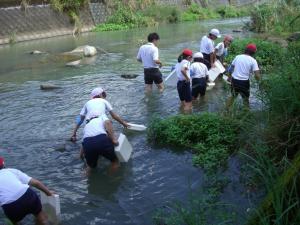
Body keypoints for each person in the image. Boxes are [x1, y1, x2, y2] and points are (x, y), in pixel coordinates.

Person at [0, 157, 53, 225]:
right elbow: (36, 183)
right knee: (41, 217)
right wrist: (48, 193)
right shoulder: (12, 171)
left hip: (10, 204)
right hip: (28, 195)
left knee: (15, 222)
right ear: (3, 164)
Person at [226, 43, 260, 109]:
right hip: (244, 82)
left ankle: (226, 111)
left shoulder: (237, 57)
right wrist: (259, 82)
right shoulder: (253, 61)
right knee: (245, 99)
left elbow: (231, 68)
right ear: (253, 52)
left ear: (246, 50)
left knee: (233, 96)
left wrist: (229, 77)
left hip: (234, 80)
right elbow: (257, 75)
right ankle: (246, 113)